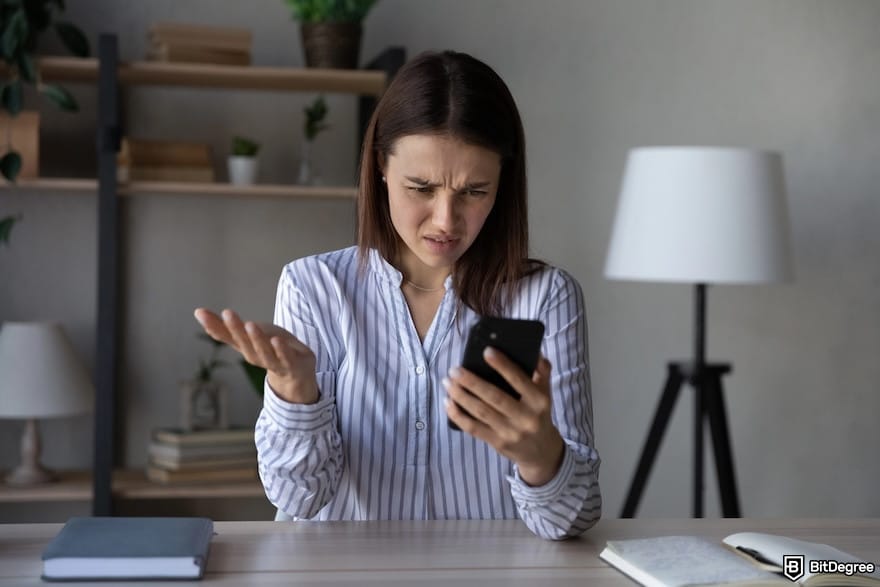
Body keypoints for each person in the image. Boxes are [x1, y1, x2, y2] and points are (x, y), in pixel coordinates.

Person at [194, 50, 601, 540]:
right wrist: (297, 394)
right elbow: (298, 498)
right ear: (381, 167)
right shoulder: (315, 287)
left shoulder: (545, 298)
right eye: (421, 187)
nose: (446, 221)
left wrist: (541, 456)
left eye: (474, 191)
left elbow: (572, 522)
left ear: (503, 184)